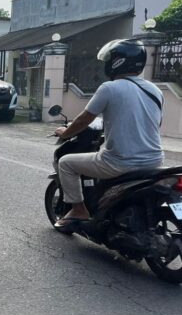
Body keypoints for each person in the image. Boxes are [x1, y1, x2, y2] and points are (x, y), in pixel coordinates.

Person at [54, 39, 163, 228]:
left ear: (117, 62)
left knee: (65, 163)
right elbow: (154, 123)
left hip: (119, 163)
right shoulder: (155, 90)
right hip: (155, 162)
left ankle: (79, 210)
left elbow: (83, 120)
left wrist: (65, 133)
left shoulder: (109, 88)